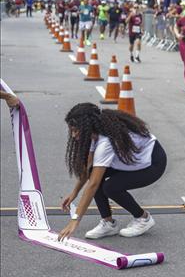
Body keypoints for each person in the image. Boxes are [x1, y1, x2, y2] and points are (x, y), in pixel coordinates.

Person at [57, 103, 166, 241]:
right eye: (71, 131)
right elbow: (88, 168)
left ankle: (143, 218)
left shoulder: (105, 142)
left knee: (111, 187)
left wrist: (75, 220)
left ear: (86, 127)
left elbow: (93, 185)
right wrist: (74, 193)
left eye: (75, 130)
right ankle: (108, 223)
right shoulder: (94, 134)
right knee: (93, 172)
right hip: (134, 160)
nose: (73, 135)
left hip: (153, 164)